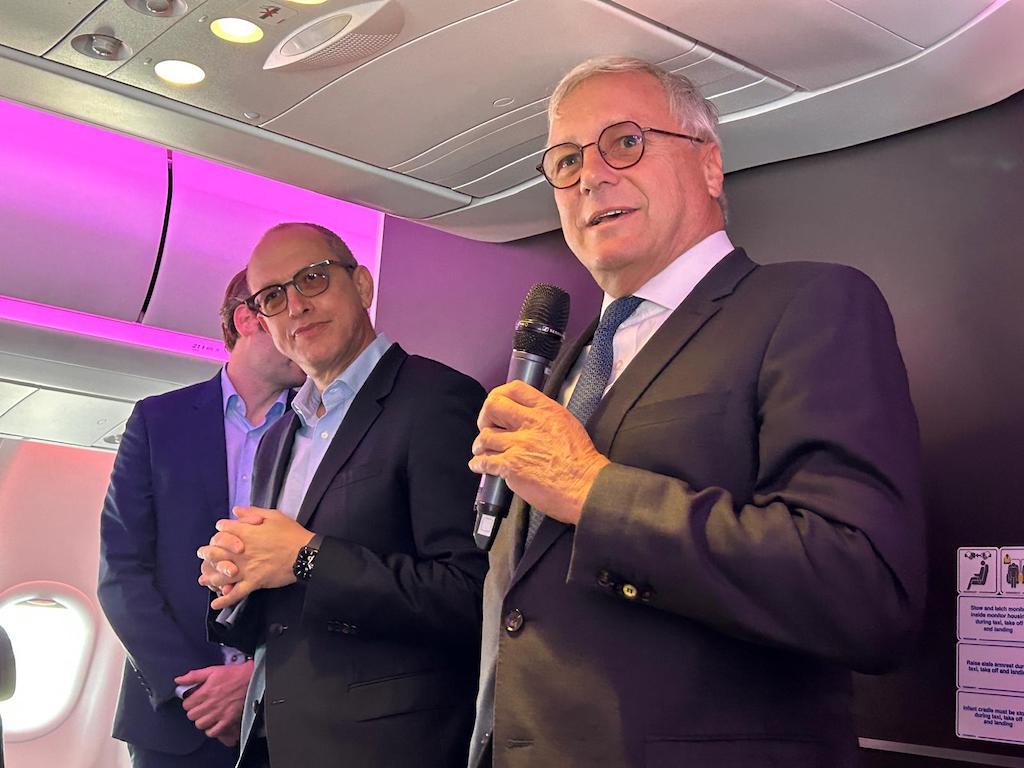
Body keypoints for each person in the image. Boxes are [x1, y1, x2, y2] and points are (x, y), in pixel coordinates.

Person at [467, 56, 926, 767]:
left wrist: (593, 492)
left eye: (624, 142)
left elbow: (864, 590)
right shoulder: (573, 359)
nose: (590, 176)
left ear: (709, 165)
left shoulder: (810, 305)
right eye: (565, 160)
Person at [198, 222, 488, 767]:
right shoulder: (280, 436)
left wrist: (306, 558)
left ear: (362, 286)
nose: (296, 307)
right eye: (273, 297)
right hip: (273, 737)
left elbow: (469, 594)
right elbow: (283, 597)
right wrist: (235, 580)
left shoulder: (437, 401)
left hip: (385, 746)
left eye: (312, 279)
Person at [98, 269, 306, 768]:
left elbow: (320, 570)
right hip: (174, 718)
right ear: (247, 320)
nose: (302, 336)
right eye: (284, 317)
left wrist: (257, 677)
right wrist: (193, 686)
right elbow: (122, 573)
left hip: (284, 715)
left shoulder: (318, 429)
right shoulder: (158, 421)